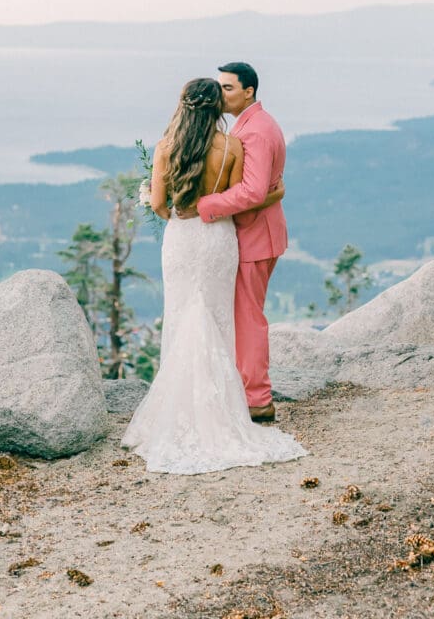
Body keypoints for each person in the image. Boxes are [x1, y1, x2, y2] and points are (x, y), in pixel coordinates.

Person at [121, 77, 306, 474]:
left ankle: (180, 408)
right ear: (213, 109)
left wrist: (178, 216)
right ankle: (226, 409)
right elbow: (242, 200)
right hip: (220, 240)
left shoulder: (166, 148)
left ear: (183, 106)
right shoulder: (232, 147)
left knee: (183, 316)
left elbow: (157, 204)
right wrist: (274, 195)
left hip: (183, 242)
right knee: (219, 322)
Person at [197, 63, 286, 422]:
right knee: (244, 315)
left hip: (255, 235)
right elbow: (264, 186)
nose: (221, 94)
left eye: (228, 88)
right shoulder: (250, 124)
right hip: (254, 232)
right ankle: (248, 391)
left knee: (248, 318)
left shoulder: (257, 132)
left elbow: (252, 191)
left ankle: (258, 399)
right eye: (220, 87)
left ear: (248, 91)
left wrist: (205, 205)